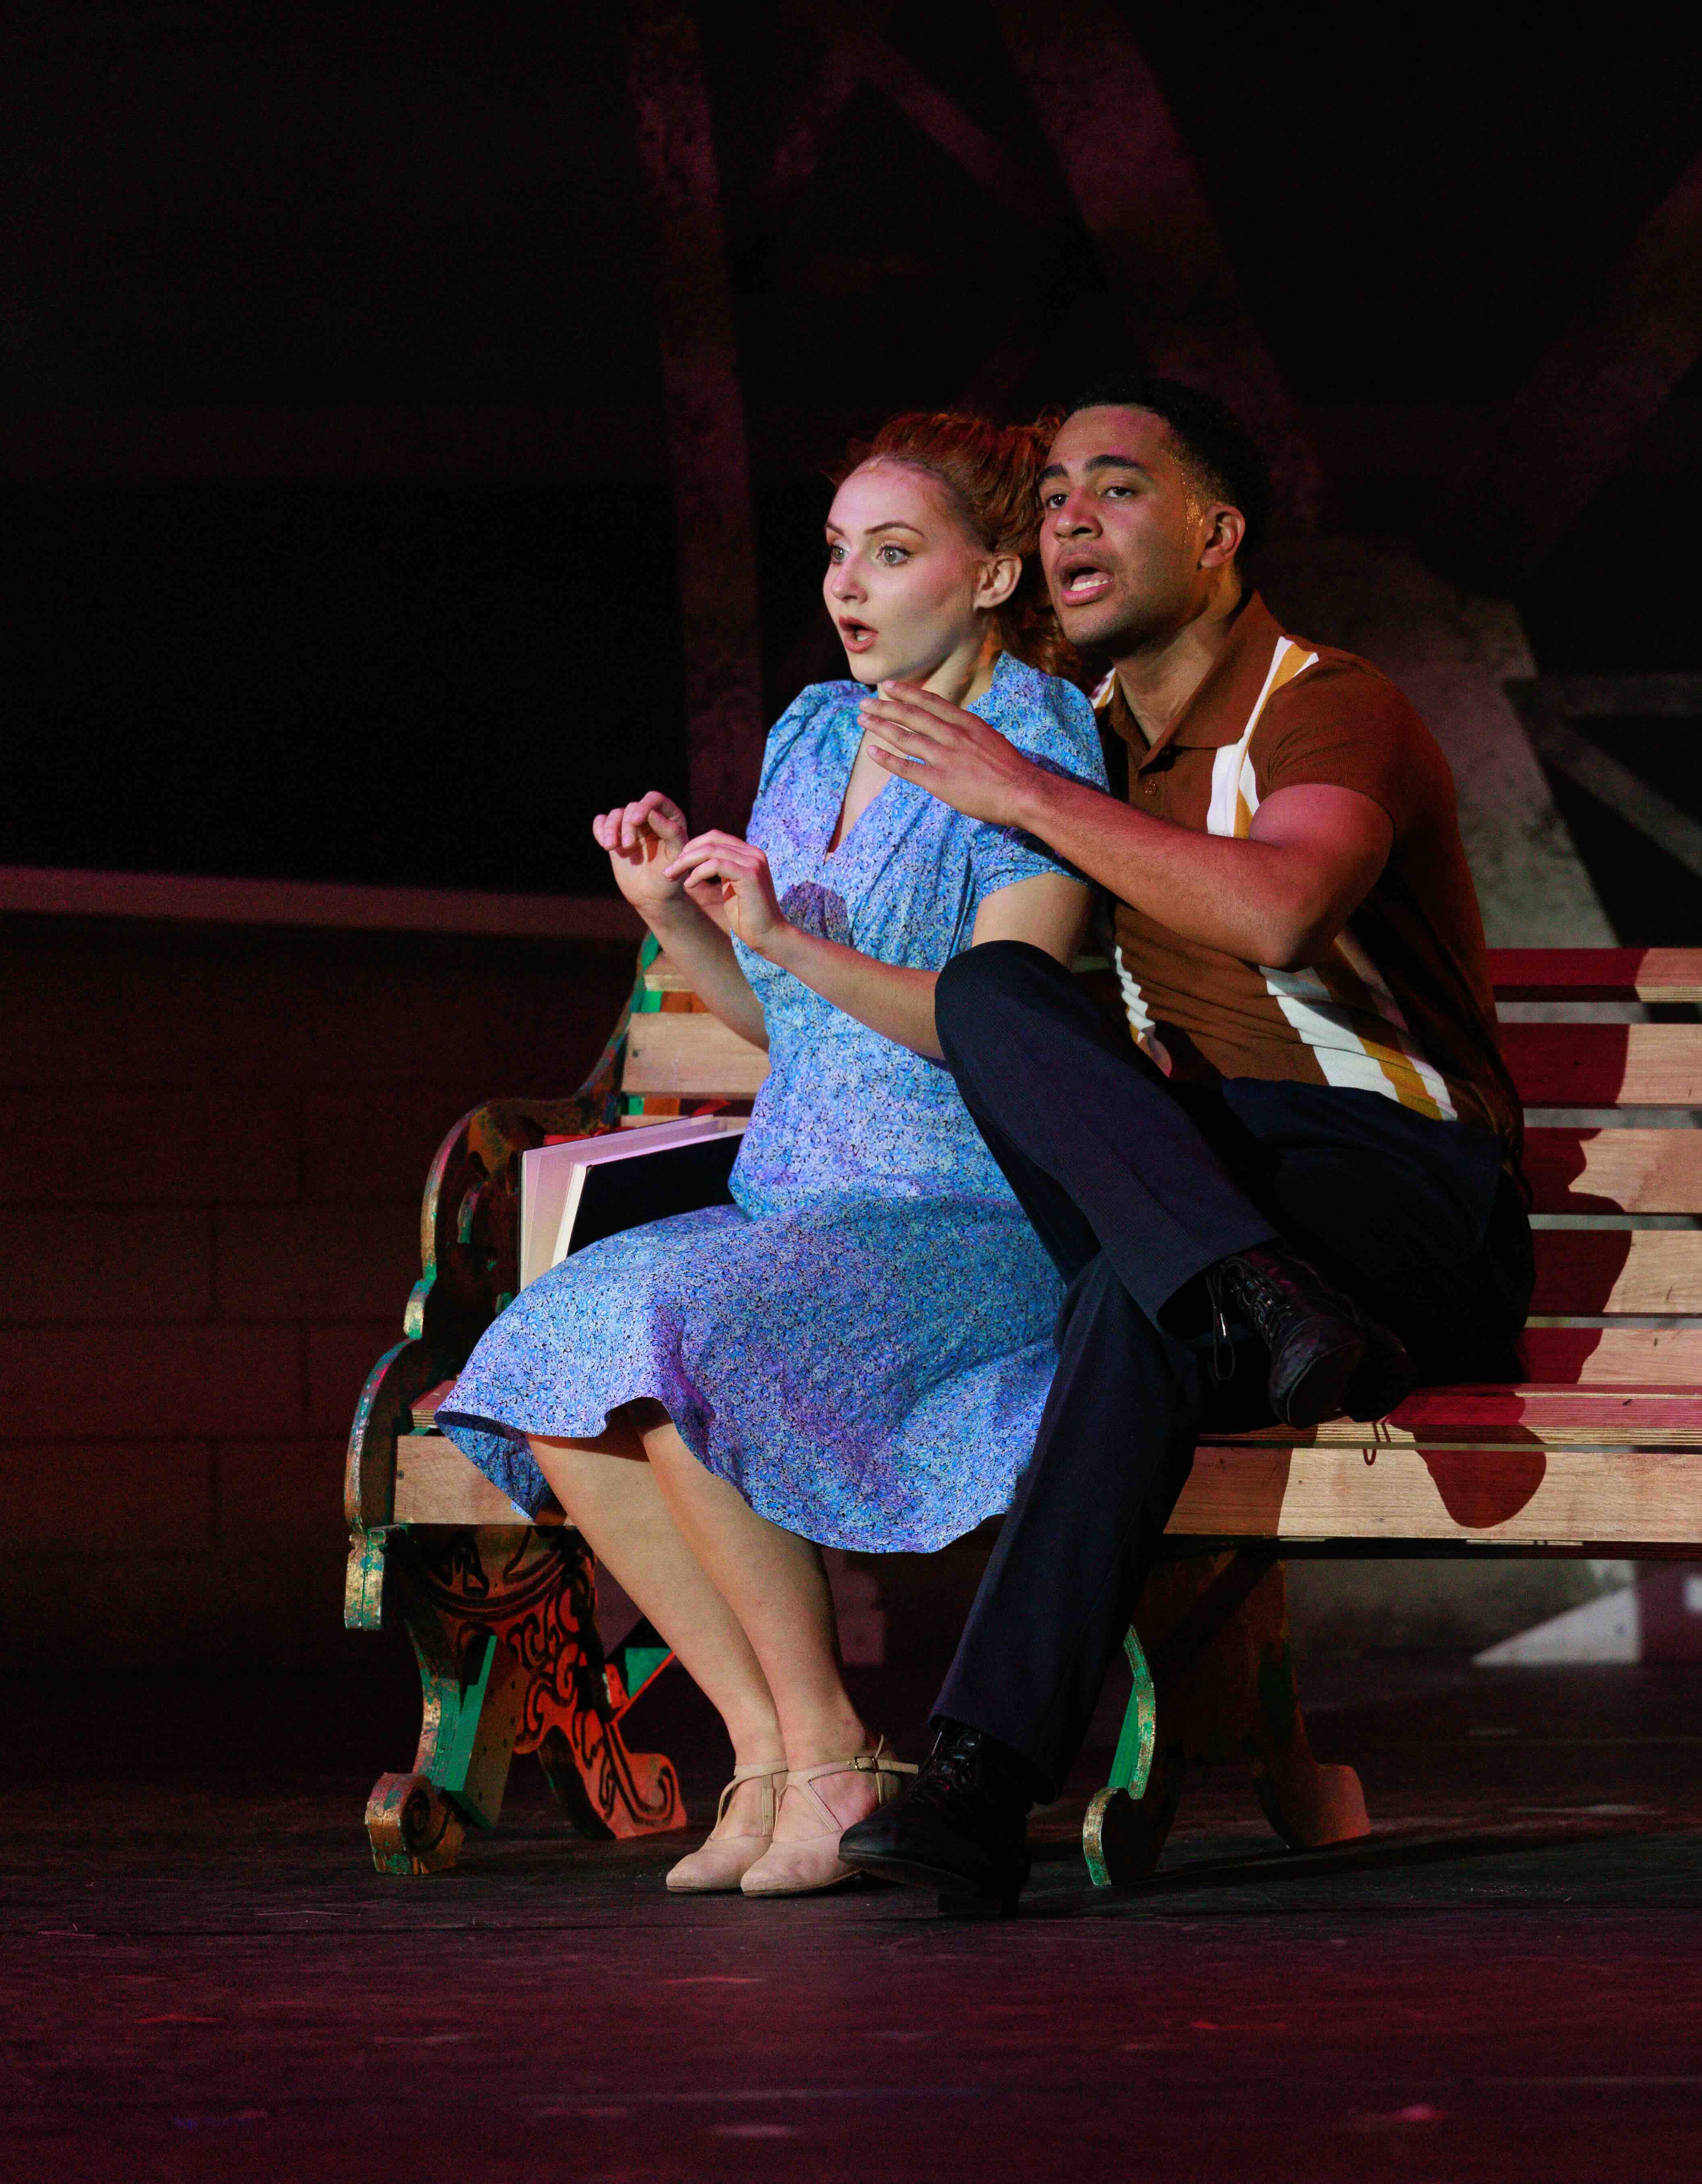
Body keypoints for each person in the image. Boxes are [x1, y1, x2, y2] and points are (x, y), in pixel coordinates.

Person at [835, 374, 1533, 1916]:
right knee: (996, 992)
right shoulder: (1080, 740)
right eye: (1054, 497)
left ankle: (977, 1784)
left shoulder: (1321, 699)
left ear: (1218, 536)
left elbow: (1281, 909)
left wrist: (1022, 793)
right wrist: (737, 920)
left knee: (1131, 1302)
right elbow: (998, 1015)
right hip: (1231, 1216)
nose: (1069, 517)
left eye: (1116, 487)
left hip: (1401, 1191)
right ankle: (1248, 1290)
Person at [436, 413, 1103, 1898]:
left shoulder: (1040, 744)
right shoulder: (814, 731)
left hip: (965, 1211)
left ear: (995, 575)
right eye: (837, 552)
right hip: (802, 1199)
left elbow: (1002, 1028)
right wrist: (673, 915)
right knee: (557, 1347)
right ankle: (773, 1752)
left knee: (681, 1327)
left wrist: (786, 935)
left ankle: (835, 1747)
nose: (848, 586)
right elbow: (782, 1021)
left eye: (893, 553)